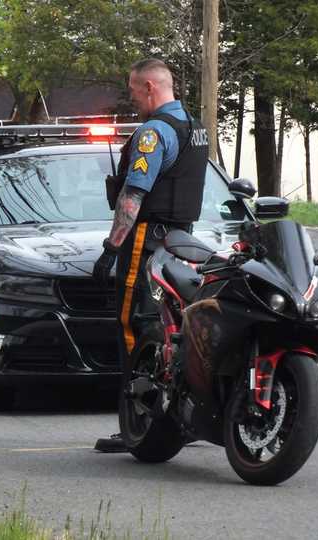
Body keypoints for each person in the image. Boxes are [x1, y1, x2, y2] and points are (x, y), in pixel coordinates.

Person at [92, 58, 210, 452]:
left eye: (132, 91)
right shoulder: (195, 129)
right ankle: (181, 417)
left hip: (147, 239)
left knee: (133, 325)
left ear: (148, 87)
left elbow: (134, 195)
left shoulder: (153, 133)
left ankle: (134, 424)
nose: (132, 98)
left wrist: (112, 248)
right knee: (175, 328)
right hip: (183, 241)